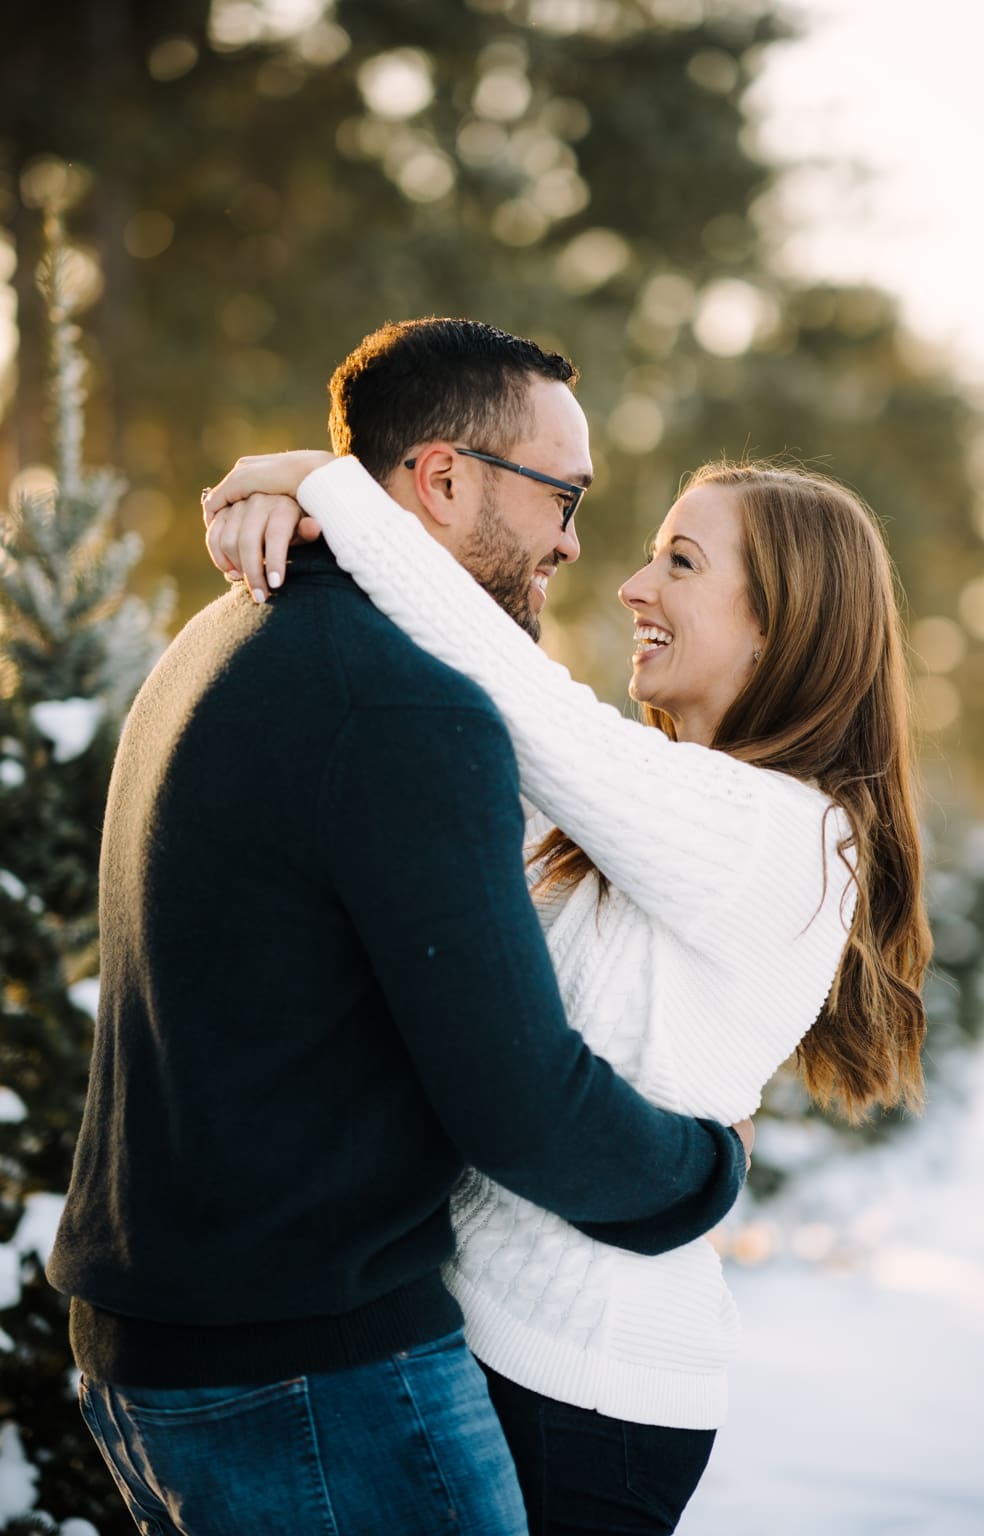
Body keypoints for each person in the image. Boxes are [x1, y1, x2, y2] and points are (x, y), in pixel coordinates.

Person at [46, 320, 756, 1536]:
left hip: (151, 1346)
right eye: (564, 497)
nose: (573, 542)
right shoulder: (404, 708)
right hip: (311, 1375)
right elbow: (518, 1102)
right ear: (441, 479)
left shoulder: (223, 633)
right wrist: (706, 1170)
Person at [203, 398, 930, 1531]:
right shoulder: (654, 813)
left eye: (680, 563)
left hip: (583, 1397)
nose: (632, 588)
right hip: (488, 1348)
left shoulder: (779, 832)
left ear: (782, 628)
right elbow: (453, 714)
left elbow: (517, 693)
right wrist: (293, 522)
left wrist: (323, 482)